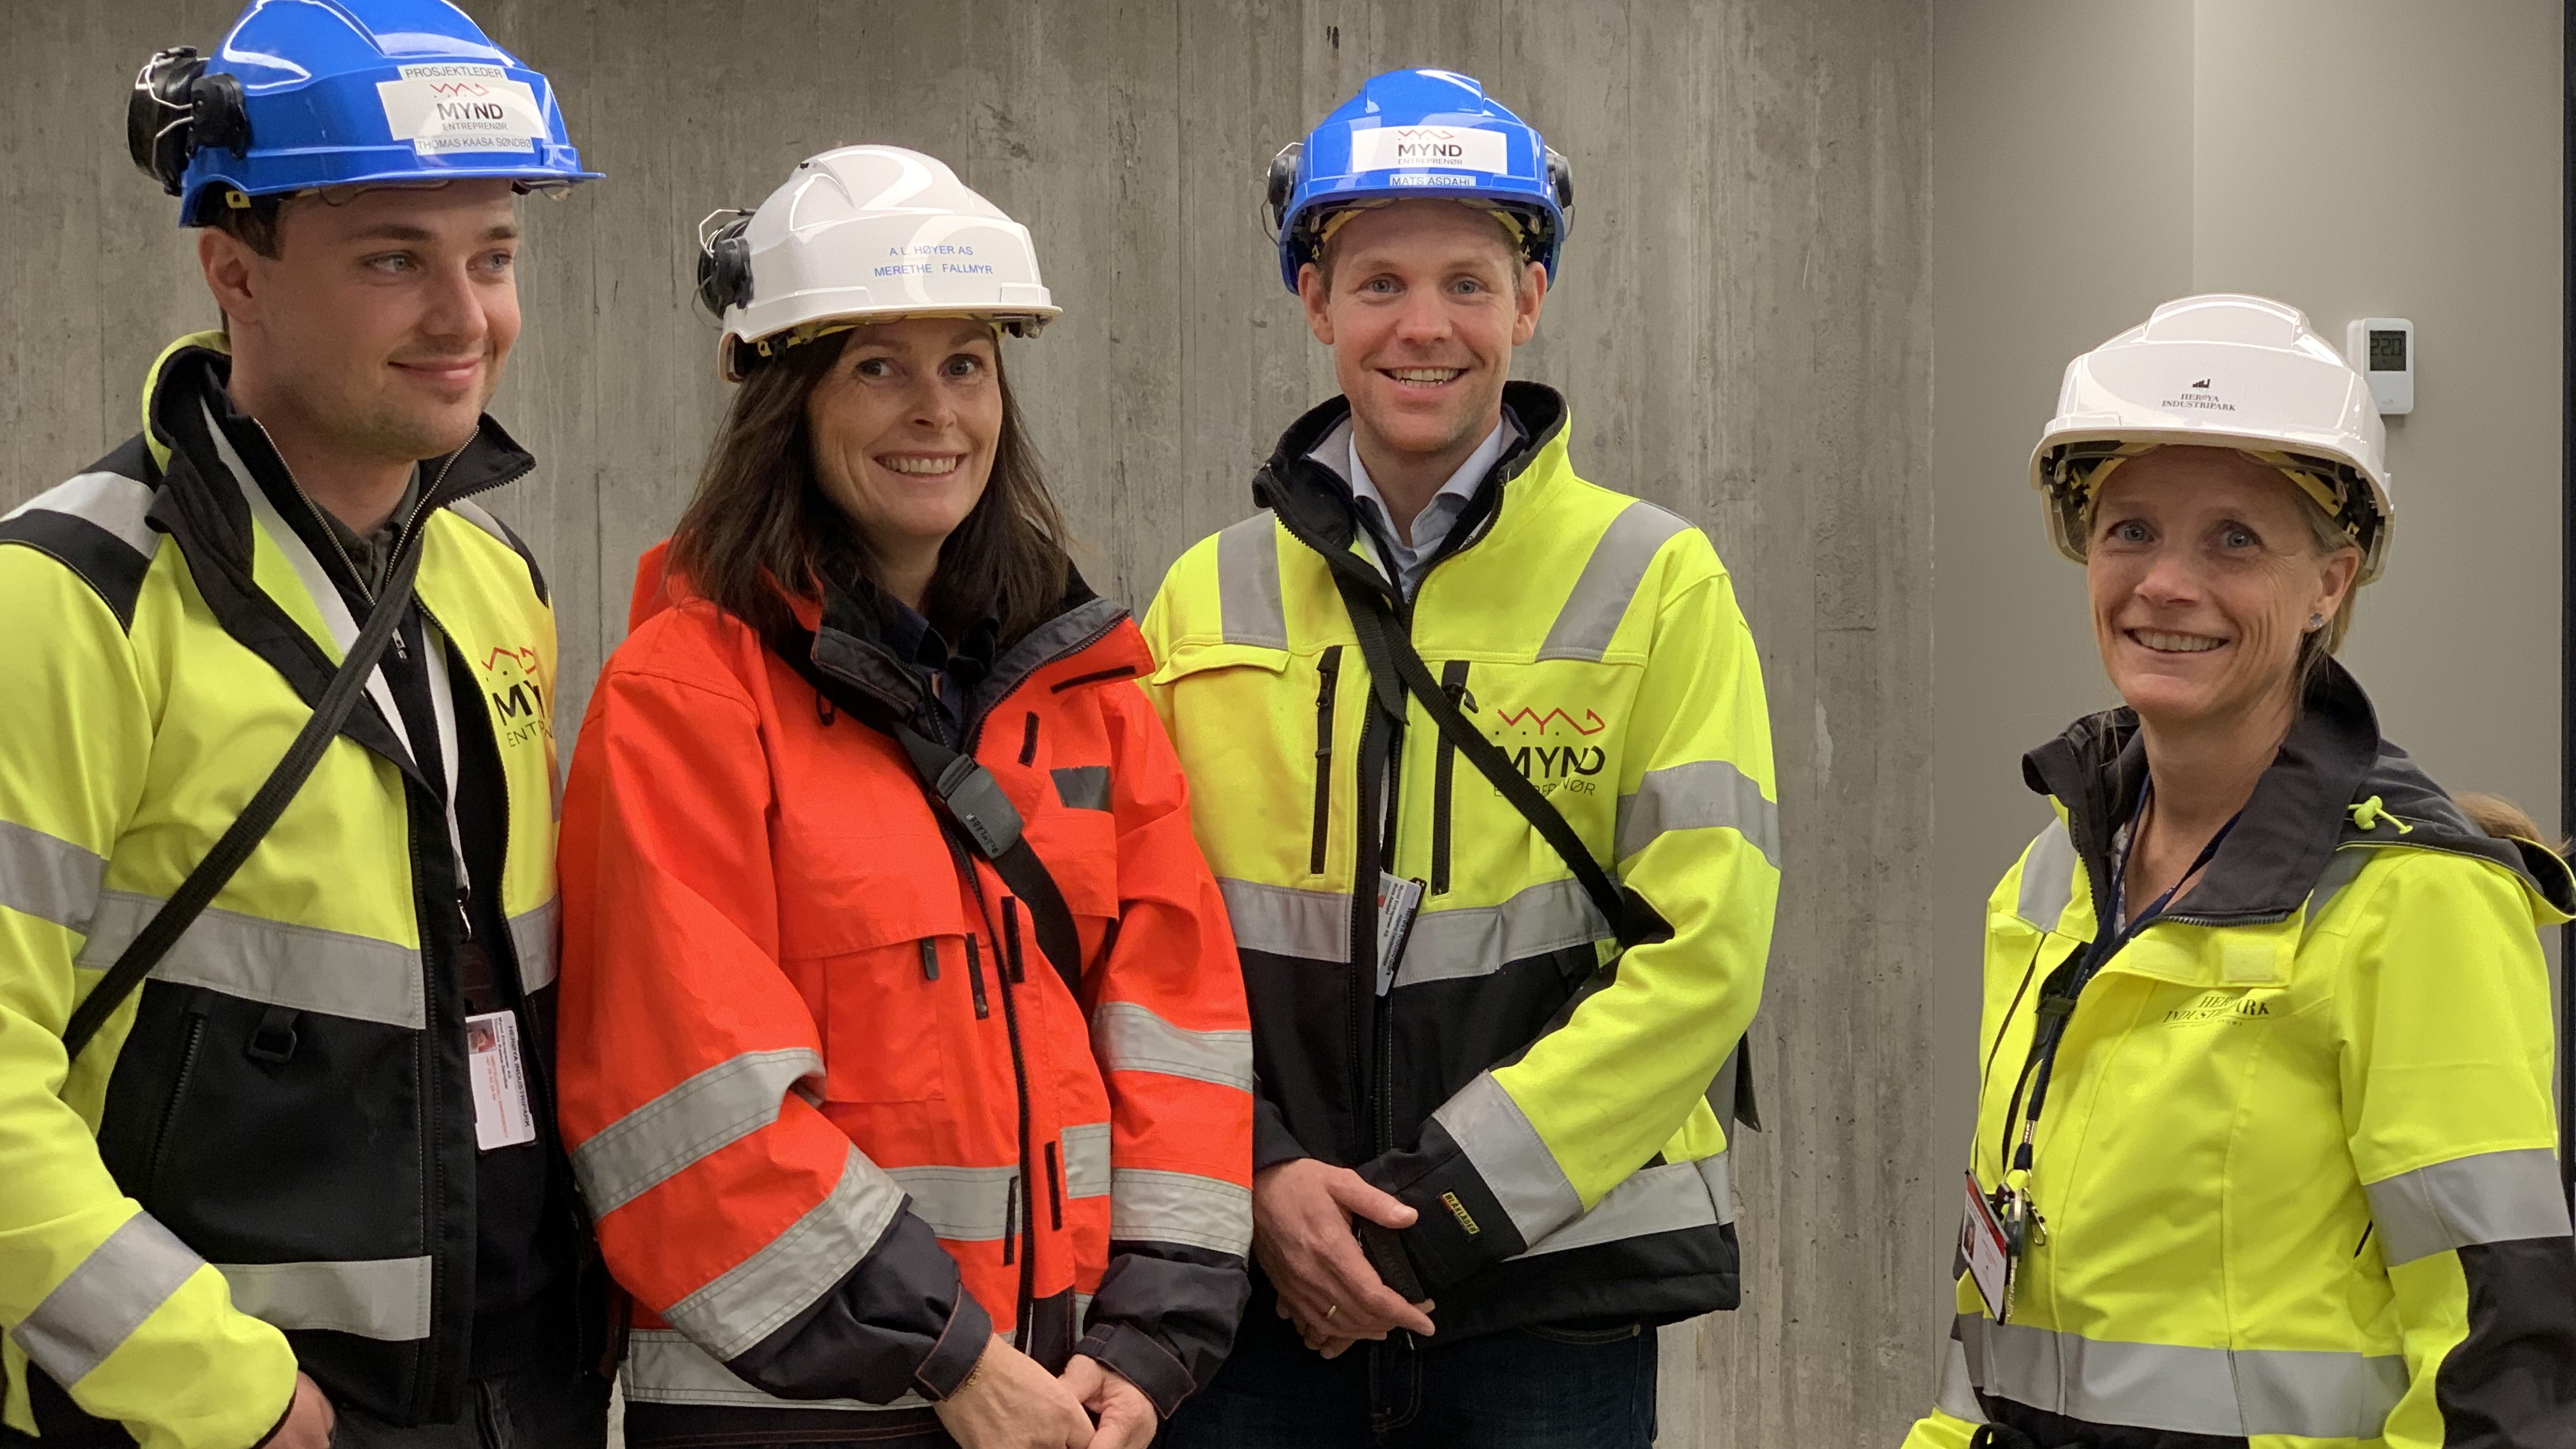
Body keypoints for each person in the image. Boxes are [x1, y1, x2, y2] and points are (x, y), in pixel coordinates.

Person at [552, 146, 1254, 1449]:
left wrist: (1150, 1346)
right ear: (789, 403)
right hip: (794, 1408)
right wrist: (952, 1358)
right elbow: (689, 1106)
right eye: (877, 366)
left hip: (1066, 1405)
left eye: (966, 364)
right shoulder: (688, 696)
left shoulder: (1090, 691)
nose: (935, 411)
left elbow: (1180, 1033)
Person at [1144, 69, 1779, 1448]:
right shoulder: (1201, 601)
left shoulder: (1658, 583)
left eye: (1468, 283)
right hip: (1263, 1300)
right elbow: (1138, 942)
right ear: (1316, 305)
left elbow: (1705, 958)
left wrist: (1426, 1222)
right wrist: (1258, 1179)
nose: (1422, 326)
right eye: (1377, 283)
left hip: (1545, 1307)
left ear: (1530, 299)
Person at [0, 3, 602, 1446]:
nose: (466, 319)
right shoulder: (68, 600)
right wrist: (227, 1398)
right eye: (395, 259)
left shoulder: (488, 574)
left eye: (494, 258)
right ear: (235, 270)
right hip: (210, 1415)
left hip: (515, 1389)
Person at [1904, 294, 2576, 1448]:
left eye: (2234, 539)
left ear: (2332, 582)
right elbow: (2006, 1317)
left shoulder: (2419, 905)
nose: (2165, 583)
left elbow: (2499, 1361)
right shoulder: (2051, 880)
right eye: (2131, 531)